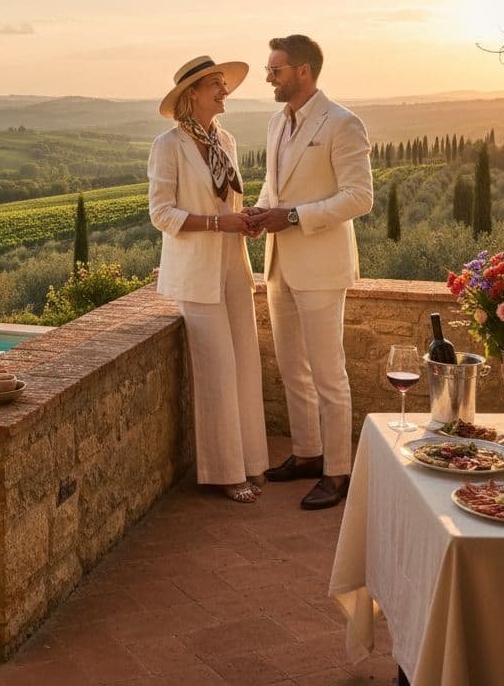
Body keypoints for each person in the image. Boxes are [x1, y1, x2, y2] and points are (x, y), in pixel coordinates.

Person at [244, 35, 373, 511]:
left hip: (320, 266)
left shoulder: (343, 123)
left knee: (327, 373)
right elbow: (272, 184)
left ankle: (338, 471)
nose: (268, 78)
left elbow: (360, 197)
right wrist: (260, 213)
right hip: (279, 262)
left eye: (275, 70)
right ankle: (306, 453)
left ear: (303, 71)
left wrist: (293, 216)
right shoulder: (279, 122)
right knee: (291, 367)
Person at [148, 55, 269, 504]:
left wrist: (246, 218)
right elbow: (161, 213)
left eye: (223, 83)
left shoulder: (227, 141)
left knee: (244, 363)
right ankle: (224, 472)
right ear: (191, 95)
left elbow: (228, 205)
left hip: (233, 267)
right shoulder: (169, 145)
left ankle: (251, 461)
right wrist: (220, 225)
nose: (224, 91)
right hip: (197, 272)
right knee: (217, 369)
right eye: (215, 85)